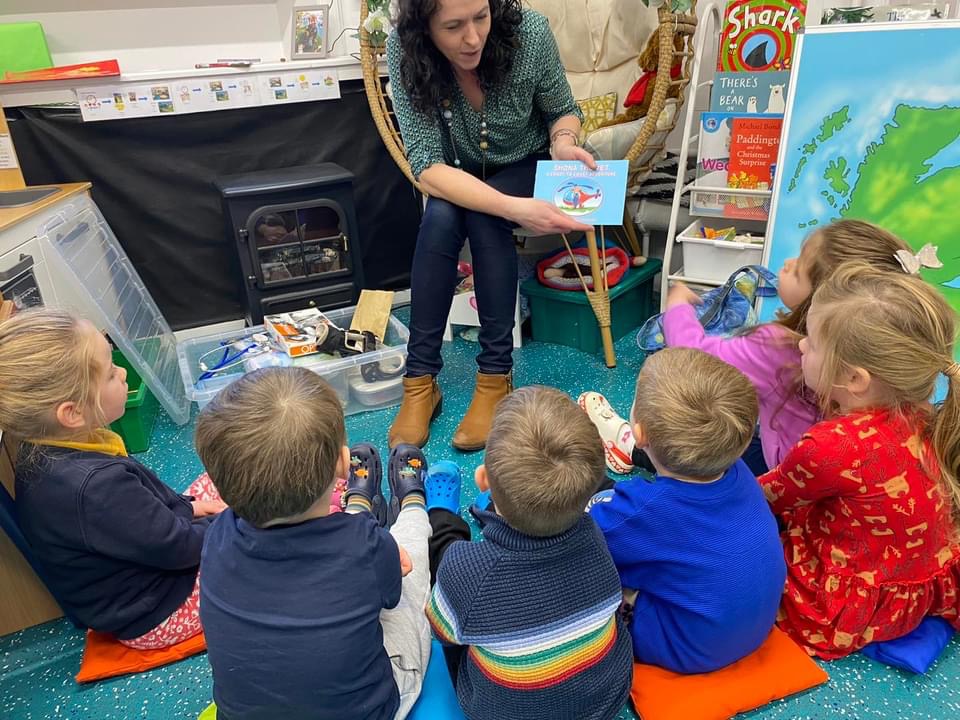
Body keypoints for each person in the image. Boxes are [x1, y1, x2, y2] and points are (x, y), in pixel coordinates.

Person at [386, 0, 596, 451]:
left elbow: (562, 109)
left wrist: (563, 142)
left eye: (481, 16)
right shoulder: (403, 53)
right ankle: (420, 382)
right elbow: (426, 166)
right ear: (423, 28)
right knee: (440, 217)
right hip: (457, 170)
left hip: (528, 162)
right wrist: (514, 208)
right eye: (454, 26)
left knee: (484, 216)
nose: (473, 37)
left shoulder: (530, 33)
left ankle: (494, 377)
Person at [581, 219, 914, 477]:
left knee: (702, 433)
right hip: (816, 469)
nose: (786, 264)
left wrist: (677, 307)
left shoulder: (781, 348)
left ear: (822, 302)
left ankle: (632, 447)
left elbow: (693, 354)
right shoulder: (895, 353)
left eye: (797, 270)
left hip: (786, 478)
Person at [195, 367, 435, 720]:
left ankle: (359, 502)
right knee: (412, 584)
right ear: (342, 463)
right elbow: (391, 596)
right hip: (373, 710)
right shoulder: (364, 546)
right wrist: (380, 554)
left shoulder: (216, 534)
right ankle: (412, 505)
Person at [759, 262, 960, 659]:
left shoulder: (830, 445)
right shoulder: (927, 415)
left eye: (812, 343)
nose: (800, 346)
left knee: (731, 544)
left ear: (855, 380)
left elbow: (769, 499)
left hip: (842, 610)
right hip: (912, 596)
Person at [0, 309, 223, 649]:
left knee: (230, 478)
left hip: (151, 569)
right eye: (109, 373)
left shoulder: (48, 448)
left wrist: (191, 508)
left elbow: (148, 511)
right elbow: (179, 549)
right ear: (72, 412)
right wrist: (233, 522)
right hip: (159, 609)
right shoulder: (94, 487)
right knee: (268, 529)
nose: (122, 373)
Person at [427, 385, 633, 720]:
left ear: (483, 480)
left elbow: (441, 630)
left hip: (502, 712)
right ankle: (494, 512)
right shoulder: (595, 535)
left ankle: (443, 518)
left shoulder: (467, 569)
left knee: (446, 556)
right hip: (605, 701)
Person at [589, 348, 786, 673]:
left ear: (640, 433)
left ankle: (615, 453)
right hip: (754, 626)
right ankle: (626, 456)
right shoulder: (739, 471)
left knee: (584, 568)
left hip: (684, 647)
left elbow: (587, 536)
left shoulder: (643, 510)